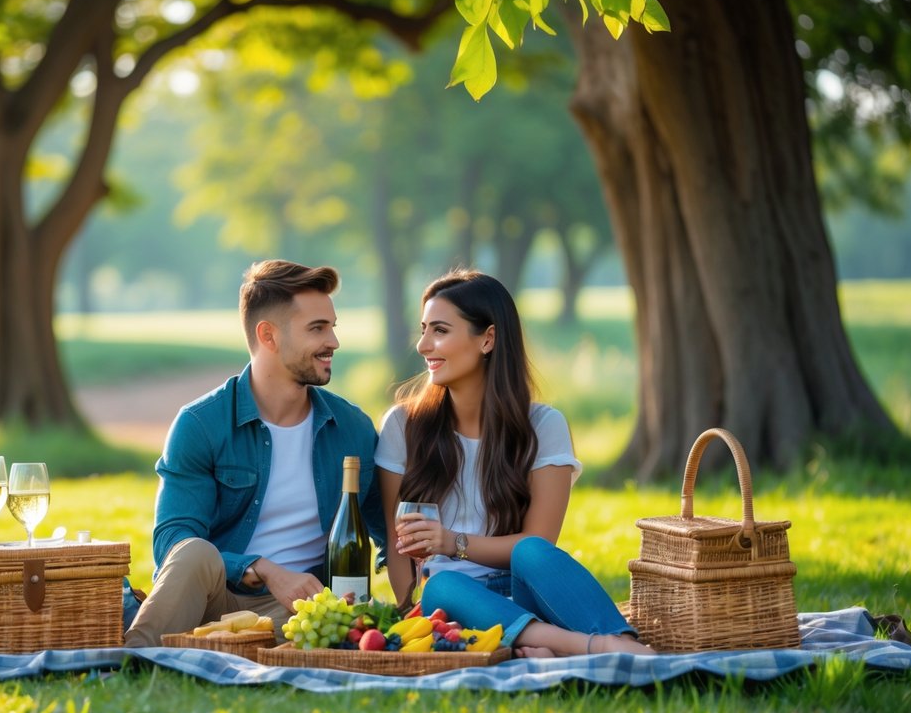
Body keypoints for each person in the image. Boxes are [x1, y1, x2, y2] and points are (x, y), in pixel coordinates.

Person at [375, 269, 653, 657]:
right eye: (423, 329)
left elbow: (536, 543)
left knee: (532, 552)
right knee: (441, 582)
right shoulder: (402, 426)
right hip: (454, 604)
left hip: (524, 592)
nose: (423, 345)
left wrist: (450, 542)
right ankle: (592, 646)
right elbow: (396, 539)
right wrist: (409, 615)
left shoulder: (543, 426)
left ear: (487, 339)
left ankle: (616, 643)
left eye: (439, 330)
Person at [124, 260, 384, 647]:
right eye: (317, 328)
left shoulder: (353, 430)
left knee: (343, 625)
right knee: (193, 551)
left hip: (301, 612)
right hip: (217, 599)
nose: (333, 341)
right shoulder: (202, 423)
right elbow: (172, 544)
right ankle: (130, 661)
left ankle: (212, 650)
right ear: (269, 335)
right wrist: (260, 569)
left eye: (332, 327)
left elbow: (388, 535)